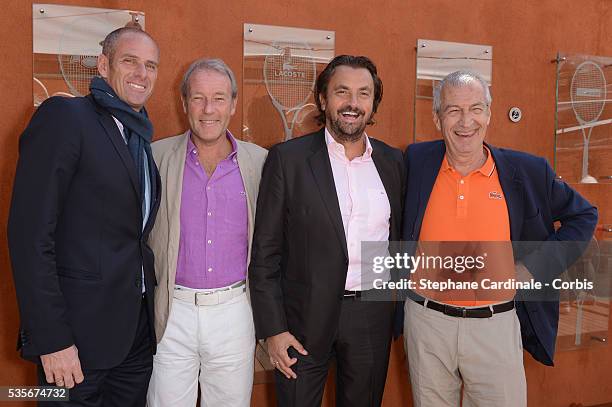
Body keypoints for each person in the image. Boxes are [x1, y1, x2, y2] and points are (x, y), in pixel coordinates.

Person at [401, 70, 598, 407]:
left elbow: (584, 215)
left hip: (495, 325)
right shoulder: (415, 162)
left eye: (476, 109)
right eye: (453, 110)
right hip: (426, 324)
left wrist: (532, 268)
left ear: (489, 114)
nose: (466, 121)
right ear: (437, 118)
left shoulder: (529, 172)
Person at [8, 26, 161, 406]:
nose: (142, 73)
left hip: (134, 339)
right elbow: (30, 235)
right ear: (103, 65)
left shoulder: (140, 137)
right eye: (130, 61)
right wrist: (52, 338)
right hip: (75, 341)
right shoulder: (66, 116)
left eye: (151, 65)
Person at [249, 55, 405, 407]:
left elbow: (399, 238)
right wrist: (273, 330)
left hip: (370, 314)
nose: (353, 103)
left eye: (364, 93)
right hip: (302, 319)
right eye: (342, 92)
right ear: (323, 99)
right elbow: (265, 254)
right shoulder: (288, 160)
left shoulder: (393, 162)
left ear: (373, 102)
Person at [146, 58, 267, 407]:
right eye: (198, 98)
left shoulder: (259, 162)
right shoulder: (156, 157)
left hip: (234, 310)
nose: (208, 109)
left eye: (218, 98)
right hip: (172, 311)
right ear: (184, 104)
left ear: (233, 103)